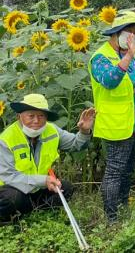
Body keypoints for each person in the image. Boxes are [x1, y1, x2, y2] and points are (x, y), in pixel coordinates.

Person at [88, 10, 135, 222]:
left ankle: (123, 208)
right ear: (115, 33)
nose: (132, 36)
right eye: (128, 31)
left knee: (127, 169)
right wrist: (128, 56)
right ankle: (111, 217)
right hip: (115, 124)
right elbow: (110, 81)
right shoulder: (100, 58)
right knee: (115, 170)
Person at [0, 94, 95, 222]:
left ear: (46, 117)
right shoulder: (6, 139)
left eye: (41, 116)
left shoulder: (51, 130)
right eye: (31, 116)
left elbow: (75, 144)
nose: (36, 121)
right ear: (19, 116)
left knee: (65, 188)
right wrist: (43, 180)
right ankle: (7, 220)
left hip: (38, 189)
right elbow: (8, 176)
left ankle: (38, 215)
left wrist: (84, 131)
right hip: (12, 189)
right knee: (12, 197)